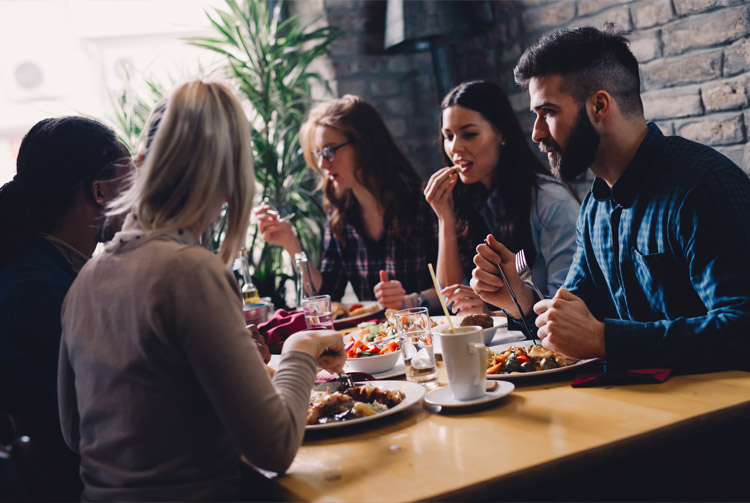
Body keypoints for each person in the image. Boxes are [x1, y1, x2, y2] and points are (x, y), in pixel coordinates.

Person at [58, 80, 346, 501]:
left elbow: (73, 431)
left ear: (141, 166)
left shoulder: (85, 278)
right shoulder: (190, 271)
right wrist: (302, 347)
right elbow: (275, 448)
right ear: (230, 179)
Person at [471, 25, 750, 373]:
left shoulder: (704, 187)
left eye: (549, 112)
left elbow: (742, 328)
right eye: (536, 115)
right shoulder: (595, 206)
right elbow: (572, 322)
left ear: (599, 105)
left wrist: (606, 340)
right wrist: (522, 300)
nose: (536, 133)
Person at [0, 116, 131, 499]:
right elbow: (100, 410)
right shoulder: (34, 290)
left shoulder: (53, 271)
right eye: (132, 181)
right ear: (101, 191)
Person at [254, 95, 439, 310]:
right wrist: (290, 243)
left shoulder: (422, 201)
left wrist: (411, 300)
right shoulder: (340, 215)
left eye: (330, 150)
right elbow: (326, 297)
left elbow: (454, 286)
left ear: (364, 145)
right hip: (376, 338)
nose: (323, 164)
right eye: (319, 154)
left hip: (430, 332)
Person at [424, 80, 579, 316]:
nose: (455, 148)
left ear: (502, 135)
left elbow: (566, 302)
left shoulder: (550, 201)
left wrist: (490, 312)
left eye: (469, 134)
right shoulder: (468, 199)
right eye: (448, 136)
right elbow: (451, 299)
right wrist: (444, 218)